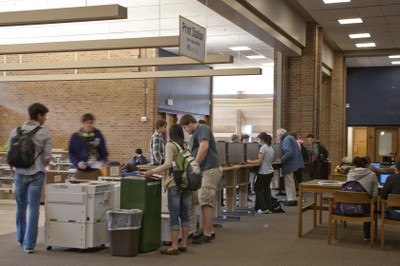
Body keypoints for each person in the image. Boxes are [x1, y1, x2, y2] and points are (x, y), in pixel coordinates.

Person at [8, 103, 52, 253]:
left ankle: (20, 238)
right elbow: (47, 159)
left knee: (21, 207)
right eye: (44, 115)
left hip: (19, 173)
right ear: (39, 116)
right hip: (37, 175)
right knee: (34, 208)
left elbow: (10, 154)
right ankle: (29, 245)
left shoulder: (16, 130)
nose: (45, 118)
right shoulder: (44, 133)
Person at [143, 124, 191, 255]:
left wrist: (152, 171)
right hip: (186, 183)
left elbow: (168, 164)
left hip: (174, 183)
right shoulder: (186, 146)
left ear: (171, 134)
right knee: (184, 213)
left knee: (174, 214)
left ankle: (174, 246)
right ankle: (184, 244)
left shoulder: (170, 145)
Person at [179, 114, 222, 244]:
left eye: (185, 127)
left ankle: (207, 233)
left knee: (206, 199)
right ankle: (209, 230)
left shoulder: (202, 128)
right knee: (204, 199)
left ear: (191, 123)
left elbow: (204, 147)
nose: (185, 130)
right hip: (206, 170)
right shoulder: (195, 135)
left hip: (211, 169)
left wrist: (194, 166)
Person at [347, 156, 379, 240]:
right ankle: (367, 235)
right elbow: (375, 193)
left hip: (349, 204)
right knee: (371, 203)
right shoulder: (372, 175)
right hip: (364, 207)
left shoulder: (350, 174)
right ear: (366, 165)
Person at [68, 113, 108, 180]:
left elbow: (104, 152)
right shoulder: (75, 137)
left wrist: (103, 161)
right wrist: (77, 162)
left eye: (92, 123)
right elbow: (71, 153)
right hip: (80, 172)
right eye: (88, 123)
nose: (90, 125)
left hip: (95, 171)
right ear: (83, 123)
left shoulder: (99, 136)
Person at [275, 128, 304, 206]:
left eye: (277, 135)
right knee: (289, 180)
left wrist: (281, 160)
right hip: (292, 162)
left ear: (280, 135)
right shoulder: (289, 137)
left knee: (289, 181)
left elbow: (289, 153)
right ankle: (290, 198)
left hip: (289, 163)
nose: (277, 137)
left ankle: (291, 199)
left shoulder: (287, 139)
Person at [247, 132, 274, 214]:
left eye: (258, 139)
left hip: (263, 172)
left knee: (257, 189)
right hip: (270, 171)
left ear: (261, 139)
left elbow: (259, 161)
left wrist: (250, 161)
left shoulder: (263, 148)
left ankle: (263, 208)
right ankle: (269, 207)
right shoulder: (270, 147)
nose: (257, 141)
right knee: (266, 190)